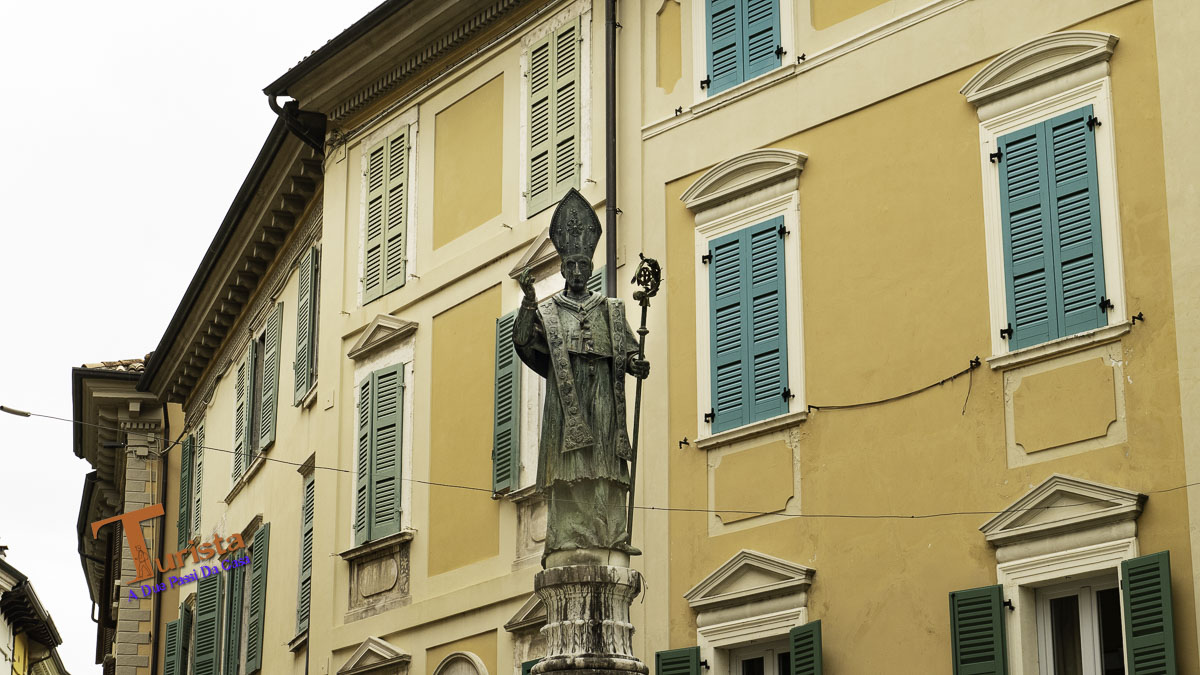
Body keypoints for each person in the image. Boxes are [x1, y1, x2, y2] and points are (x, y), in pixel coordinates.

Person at [513, 189, 649, 568]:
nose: (575, 272)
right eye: (570, 266)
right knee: (569, 466)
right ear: (563, 270)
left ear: (591, 270)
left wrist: (637, 365)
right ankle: (565, 534)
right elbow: (523, 340)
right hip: (567, 401)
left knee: (605, 462)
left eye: (582, 267)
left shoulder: (611, 309)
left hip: (603, 397)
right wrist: (527, 300)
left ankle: (612, 533)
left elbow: (628, 353)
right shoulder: (550, 311)